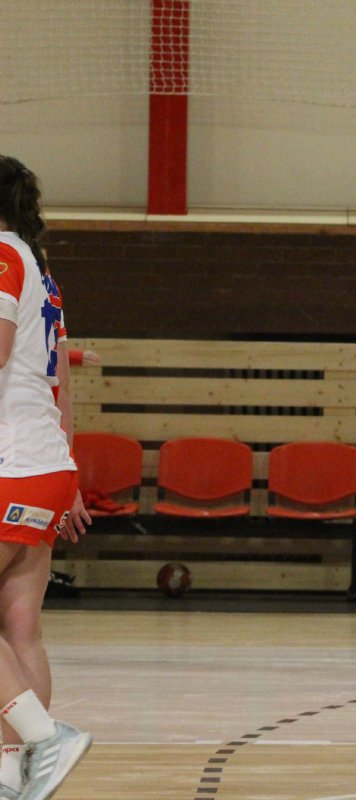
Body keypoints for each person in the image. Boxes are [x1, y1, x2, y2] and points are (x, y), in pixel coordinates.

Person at [0, 154, 93, 800]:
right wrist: (71, 475)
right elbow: (58, 379)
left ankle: (43, 737)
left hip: (12, 465)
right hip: (46, 463)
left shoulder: (3, 255)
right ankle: (14, 772)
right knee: (20, 628)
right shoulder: (42, 271)